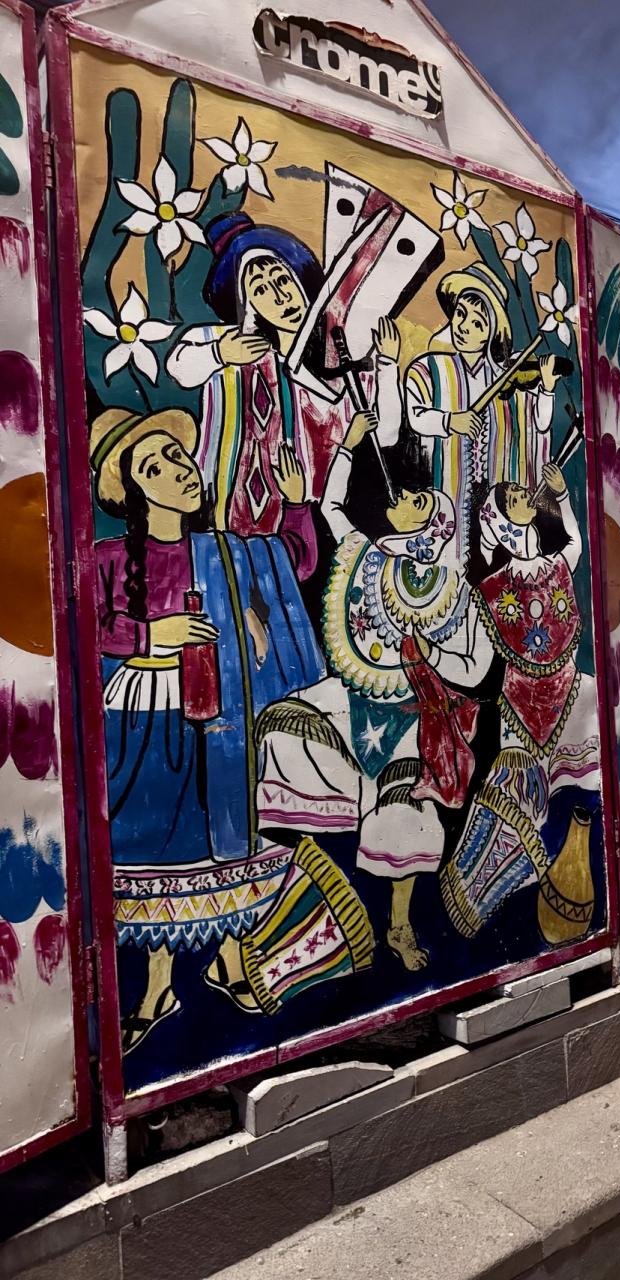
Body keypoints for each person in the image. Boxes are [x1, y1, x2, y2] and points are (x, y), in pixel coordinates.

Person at [91, 406, 323, 1049]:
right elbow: (87, 623)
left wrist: (296, 504)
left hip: (216, 718)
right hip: (142, 721)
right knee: (158, 852)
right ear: (133, 492)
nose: (177, 469)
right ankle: (156, 987)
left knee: (224, 837)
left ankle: (229, 959)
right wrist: (151, 635)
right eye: (154, 466)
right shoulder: (109, 557)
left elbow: (293, 564)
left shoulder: (222, 550)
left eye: (176, 455)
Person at [254, 413, 478, 972]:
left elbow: (473, 668)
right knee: (282, 731)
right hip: (351, 694)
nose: (406, 502)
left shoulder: (449, 582)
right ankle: (309, 879)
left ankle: (398, 924)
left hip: (411, 713)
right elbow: (332, 506)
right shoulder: (365, 552)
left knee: (404, 813)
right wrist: (349, 447)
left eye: (418, 498)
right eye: (401, 496)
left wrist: (432, 659)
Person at [428, 466, 601, 937]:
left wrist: (562, 497)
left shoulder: (553, 563)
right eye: (517, 497)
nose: (527, 497)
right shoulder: (494, 582)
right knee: (517, 797)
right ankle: (478, 892)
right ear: (500, 518)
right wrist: (433, 657)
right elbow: (473, 666)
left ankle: (564, 872)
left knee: (574, 787)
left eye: (526, 493)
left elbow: (574, 543)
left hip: (568, 691)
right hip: (520, 705)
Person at [167, 211, 402, 535]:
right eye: (261, 290)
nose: (280, 298)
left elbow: (387, 433)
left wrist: (388, 365)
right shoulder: (237, 345)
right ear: (249, 304)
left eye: (281, 280)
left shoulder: (346, 356)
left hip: (323, 522)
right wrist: (220, 353)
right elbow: (179, 366)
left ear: (298, 278)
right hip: (240, 520)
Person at [404, 261, 560, 561]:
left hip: (494, 491)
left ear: (491, 333)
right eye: (461, 314)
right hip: (449, 486)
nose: (464, 327)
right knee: (450, 553)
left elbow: (537, 425)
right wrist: (450, 421)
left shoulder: (506, 379)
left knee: (487, 560)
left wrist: (547, 389)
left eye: (478, 324)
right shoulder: (432, 368)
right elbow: (416, 415)